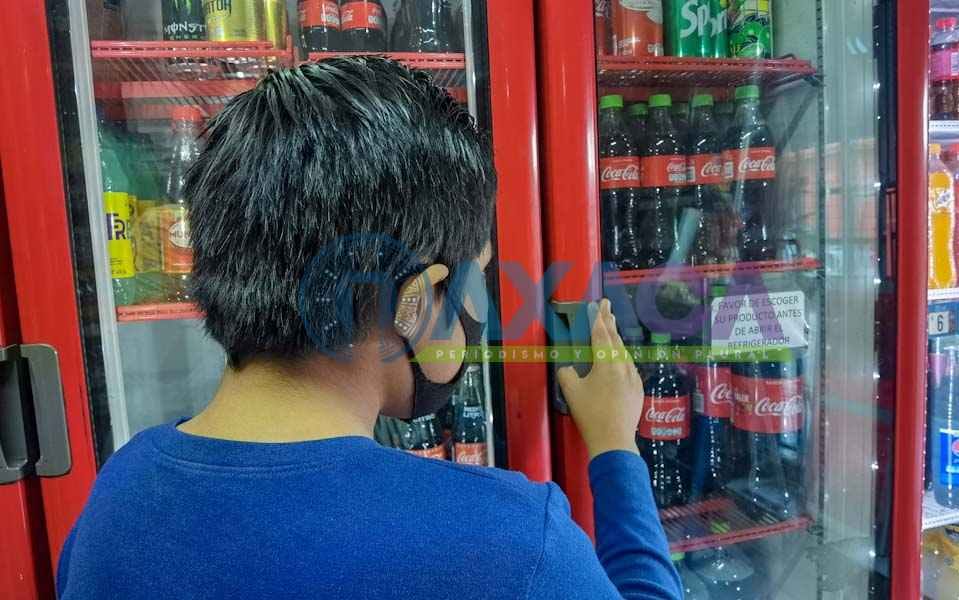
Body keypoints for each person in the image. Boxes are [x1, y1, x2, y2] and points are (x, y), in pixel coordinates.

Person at [56, 57, 680, 599]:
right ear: (414, 305)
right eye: (479, 278)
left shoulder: (118, 496)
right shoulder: (508, 545)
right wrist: (616, 448)